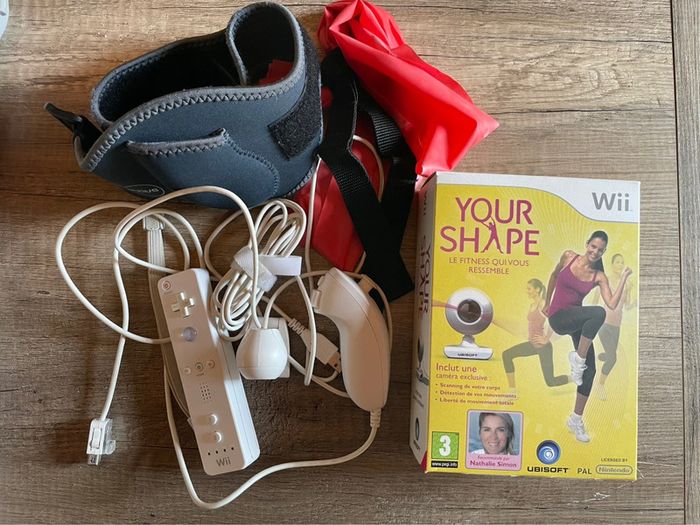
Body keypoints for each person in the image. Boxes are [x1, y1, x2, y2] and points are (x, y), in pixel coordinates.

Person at [544, 231, 632, 443]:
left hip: (576, 319)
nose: (595, 252)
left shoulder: (598, 276)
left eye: (600, 250)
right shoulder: (568, 256)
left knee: (590, 370)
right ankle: (578, 359)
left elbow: (612, 303)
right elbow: (554, 276)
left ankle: (575, 419)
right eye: (593, 246)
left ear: (604, 252)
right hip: (558, 317)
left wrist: (623, 278)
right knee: (598, 313)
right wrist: (546, 303)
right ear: (587, 244)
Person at [502, 279, 569, 391]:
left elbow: (554, 321)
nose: (527, 291)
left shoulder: (542, 304)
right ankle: (512, 391)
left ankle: (573, 378)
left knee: (550, 382)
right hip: (532, 344)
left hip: (544, 347)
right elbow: (532, 323)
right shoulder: (532, 305)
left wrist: (546, 338)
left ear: (537, 289)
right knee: (507, 355)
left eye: (529, 289)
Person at [590, 254, 635, 400]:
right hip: (603, 324)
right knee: (613, 358)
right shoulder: (605, 280)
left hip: (616, 325)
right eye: (617, 262)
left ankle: (604, 356)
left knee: (611, 354)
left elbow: (626, 306)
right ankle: (600, 385)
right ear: (612, 264)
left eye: (622, 263)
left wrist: (635, 302)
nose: (620, 265)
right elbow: (594, 301)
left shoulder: (626, 284)